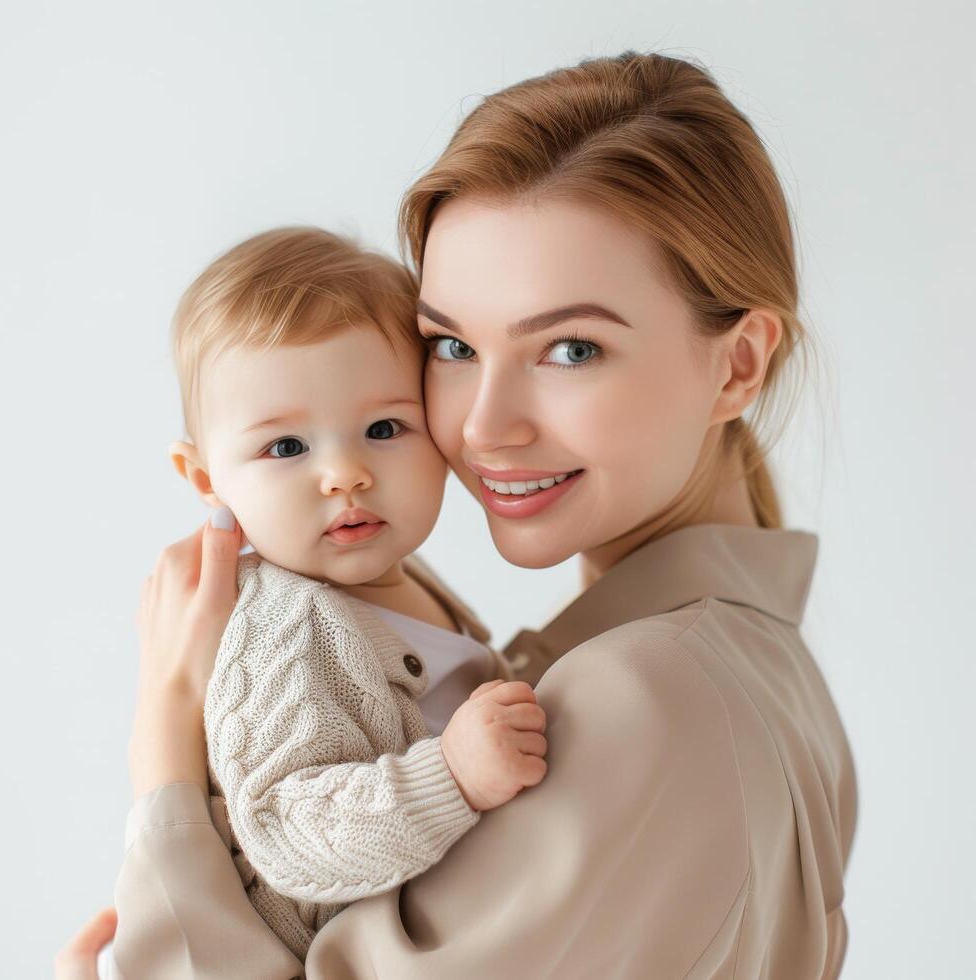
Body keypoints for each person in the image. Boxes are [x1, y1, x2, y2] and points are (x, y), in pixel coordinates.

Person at [63, 50, 858, 978]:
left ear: (737, 364)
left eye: (570, 347)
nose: (482, 425)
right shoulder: (744, 669)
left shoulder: (648, 695)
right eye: (450, 344)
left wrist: (164, 744)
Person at [111, 225, 549, 966]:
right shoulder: (285, 627)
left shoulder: (406, 579)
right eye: (286, 448)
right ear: (207, 481)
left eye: (384, 428)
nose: (345, 473)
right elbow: (288, 829)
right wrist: (452, 776)